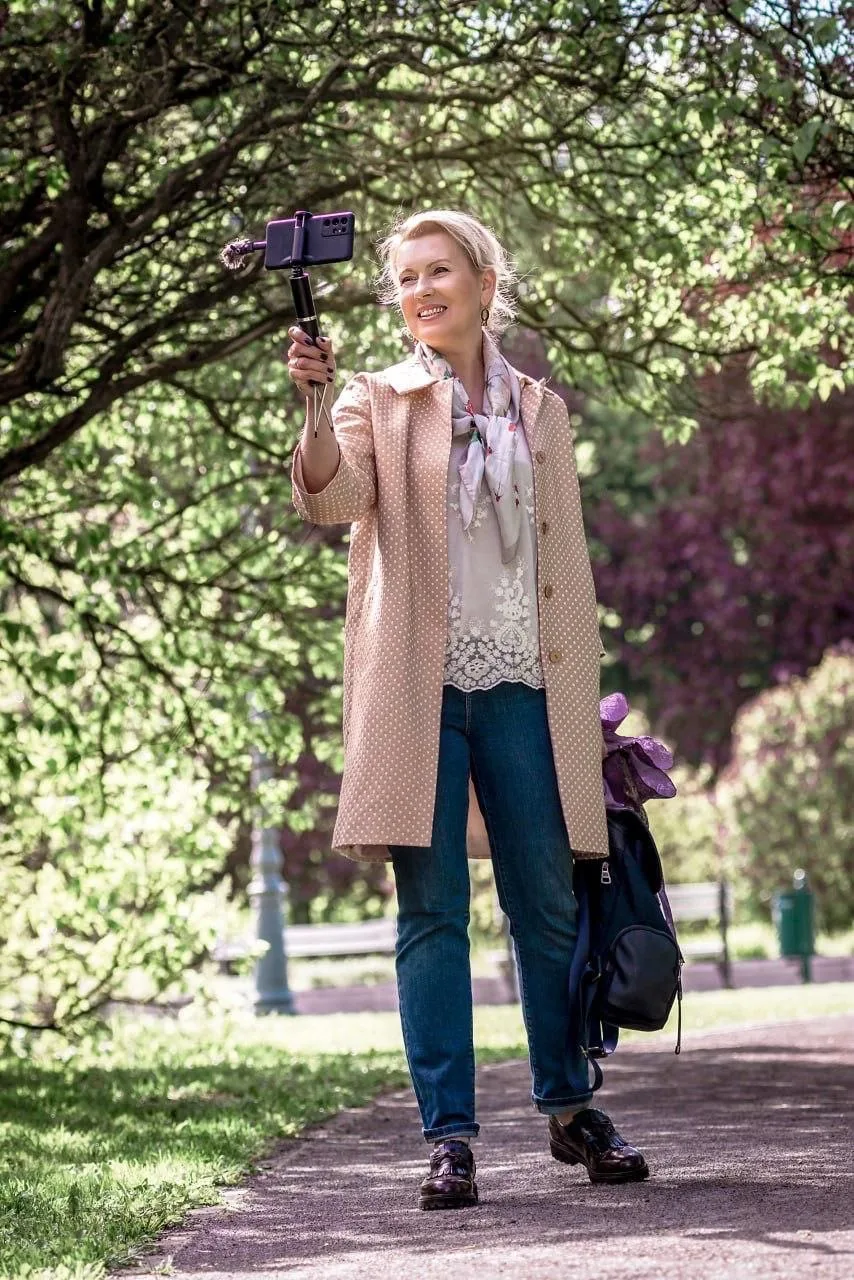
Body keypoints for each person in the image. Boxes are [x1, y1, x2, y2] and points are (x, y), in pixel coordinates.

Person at [286, 209, 648, 1210]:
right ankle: (448, 1137)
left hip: (526, 681)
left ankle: (570, 1110)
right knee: (431, 911)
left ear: (485, 283)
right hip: (419, 688)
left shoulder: (541, 410)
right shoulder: (375, 398)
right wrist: (313, 408)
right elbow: (328, 499)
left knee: (548, 903)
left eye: (438, 270)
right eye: (405, 277)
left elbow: (561, 561)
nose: (420, 290)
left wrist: (584, 707)